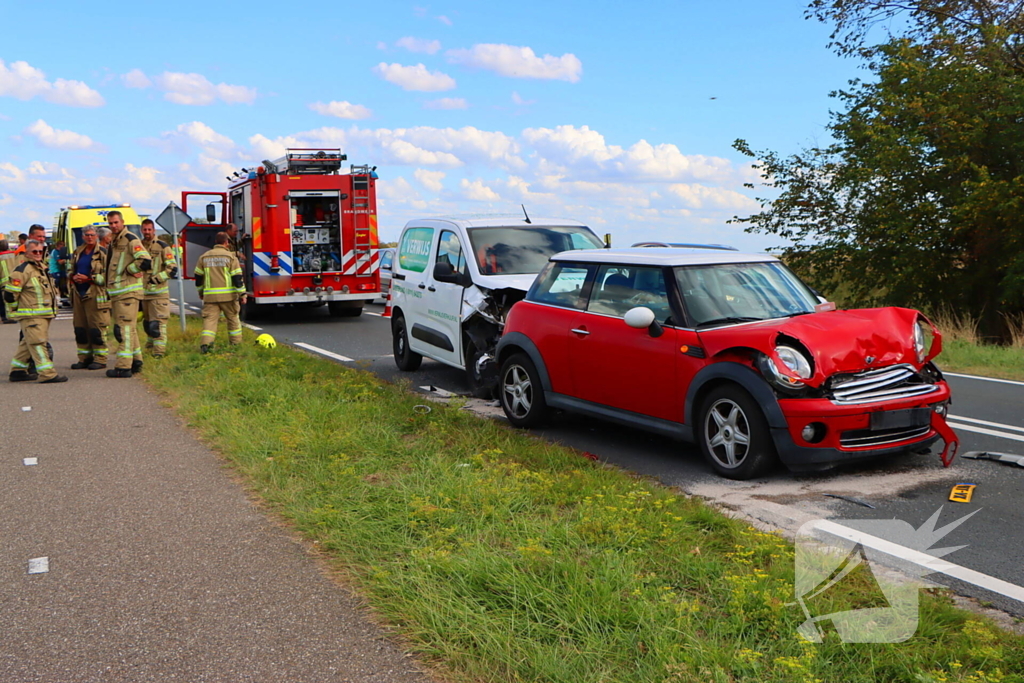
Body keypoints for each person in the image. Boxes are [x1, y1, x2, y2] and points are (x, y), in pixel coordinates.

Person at [4, 239, 67, 383]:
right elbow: (10, 295)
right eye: (34, 251)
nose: (38, 253)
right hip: (31, 315)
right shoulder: (23, 270)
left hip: (42, 314)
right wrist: (16, 310)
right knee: (38, 343)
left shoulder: (40, 268)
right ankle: (47, 374)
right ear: (26, 252)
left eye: (40, 251)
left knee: (28, 343)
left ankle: (18, 371)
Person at [103, 210, 150, 378]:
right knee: (130, 329)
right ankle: (136, 362)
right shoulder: (115, 240)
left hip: (127, 293)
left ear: (122, 222)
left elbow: (145, 260)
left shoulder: (130, 239)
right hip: (119, 293)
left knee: (124, 330)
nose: (113, 226)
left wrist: (130, 270)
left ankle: (123, 367)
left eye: (116, 222)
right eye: (110, 223)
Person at [194, 231, 246, 353]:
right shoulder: (230, 257)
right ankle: (236, 345)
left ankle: (206, 345)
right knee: (233, 319)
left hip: (210, 297)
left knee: (209, 321)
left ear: (215, 242)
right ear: (226, 242)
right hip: (229, 297)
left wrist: (201, 292)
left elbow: (198, 278)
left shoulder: (204, 257)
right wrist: (242, 294)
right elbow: (237, 278)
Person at [68, 227, 110, 369]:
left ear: (97, 236)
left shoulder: (103, 253)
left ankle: (100, 359)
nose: (90, 237)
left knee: (96, 329)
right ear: (83, 236)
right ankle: (84, 358)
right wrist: (73, 276)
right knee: (80, 329)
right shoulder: (77, 252)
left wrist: (89, 278)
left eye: (92, 235)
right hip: (78, 293)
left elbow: (109, 276)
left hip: (96, 294)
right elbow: (70, 269)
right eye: (87, 235)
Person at [140, 219, 176, 358]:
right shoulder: (139, 246)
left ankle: (159, 353)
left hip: (158, 294)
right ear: (141, 230)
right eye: (145, 229)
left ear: (154, 230)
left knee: (158, 325)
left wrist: (157, 279)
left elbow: (172, 268)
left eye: (149, 229)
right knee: (147, 324)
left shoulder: (162, 246)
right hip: (143, 294)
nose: (147, 232)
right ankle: (149, 349)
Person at [0, 238, 16, 323]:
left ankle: (7, 317)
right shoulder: (14, 255)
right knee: (14, 298)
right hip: (14, 280)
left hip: (3, 282)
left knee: (4, 300)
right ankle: (15, 315)